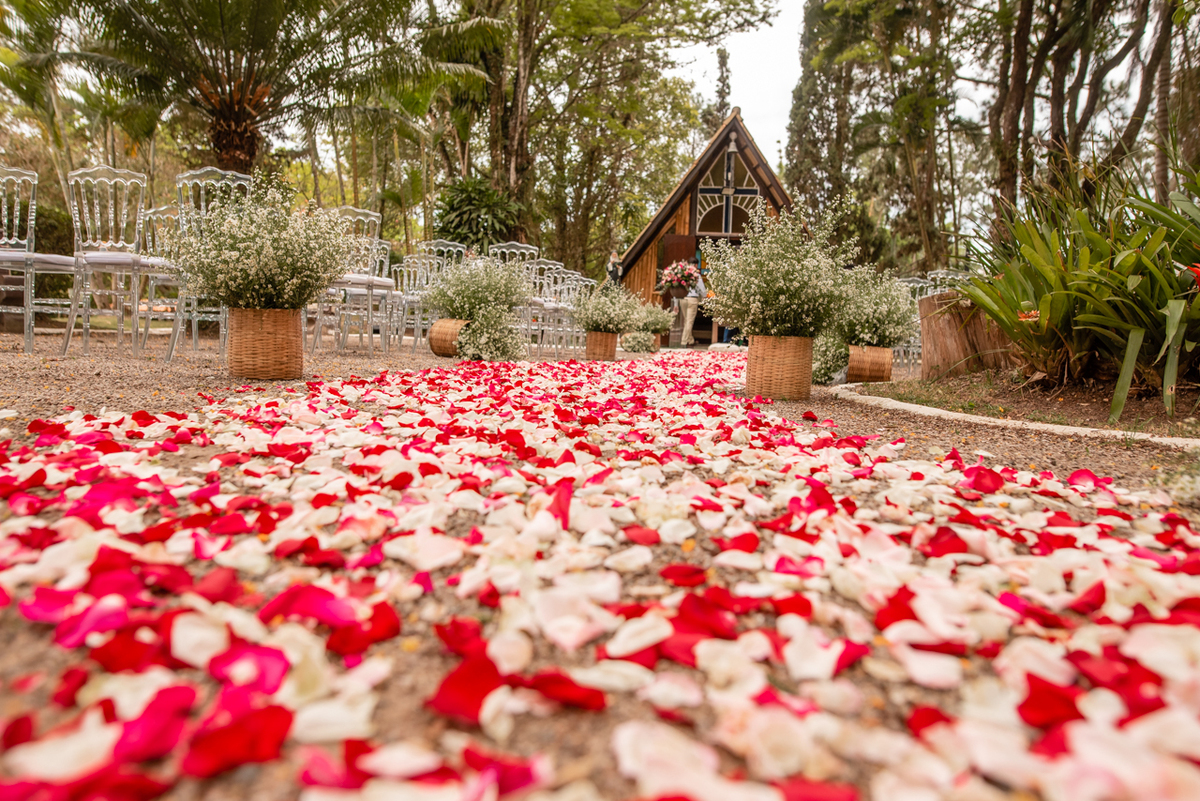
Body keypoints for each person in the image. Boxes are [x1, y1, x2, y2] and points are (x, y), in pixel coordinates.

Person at [680, 261, 706, 347]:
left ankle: (690, 340)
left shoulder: (683, 275)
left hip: (683, 299)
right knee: (689, 322)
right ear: (695, 265)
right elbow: (702, 290)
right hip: (692, 299)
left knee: (686, 321)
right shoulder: (696, 276)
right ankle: (683, 342)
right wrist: (704, 296)